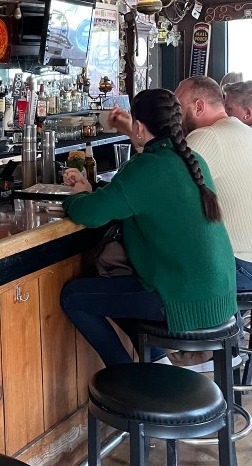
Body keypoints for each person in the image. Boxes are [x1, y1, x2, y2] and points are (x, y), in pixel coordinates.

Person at [60, 89, 237, 367]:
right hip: (221, 298)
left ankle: (126, 375)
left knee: (74, 297)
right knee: (118, 293)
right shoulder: (193, 161)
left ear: (140, 127)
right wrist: (92, 190)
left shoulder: (144, 169)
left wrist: (78, 197)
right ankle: (155, 360)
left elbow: (90, 214)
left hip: (180, 301)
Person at [174, 76, 252, 291]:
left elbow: (163, 190)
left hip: (240, 265)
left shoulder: (205, 137)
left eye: (177, 107)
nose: (174, 115)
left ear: (199, 106)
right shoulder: (246, 131)